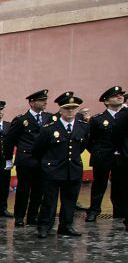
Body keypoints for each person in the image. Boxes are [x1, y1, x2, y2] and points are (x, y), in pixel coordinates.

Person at [33, 91, 87, 239]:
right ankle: (44, 226)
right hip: (53, 170)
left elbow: (82, 146)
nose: (70, 111)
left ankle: (66, 225)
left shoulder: (83, 127)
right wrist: (47, 164)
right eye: (67, 108)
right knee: (49, 200)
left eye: (73, 108)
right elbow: (38, 149)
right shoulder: (50, 128)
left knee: (70, 200)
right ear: (61, 109)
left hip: (73, 169)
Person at [5, 89, 51, 227]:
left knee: (39, 191)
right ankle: (19, 216)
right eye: (41, 100)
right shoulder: (21, 120)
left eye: (45, 100)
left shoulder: (48, 118)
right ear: (31, 103)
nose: (45, 102)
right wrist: (8, 159)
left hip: (42, 161)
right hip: (26, 160)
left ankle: (33, 216)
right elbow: (9, 140)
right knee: (23, 190)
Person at [86, 86, 126, 221]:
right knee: (99, 185)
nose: (120, 96)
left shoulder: (125, 116)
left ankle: (120, 212)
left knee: (120, 186)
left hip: (122, 157)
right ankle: (94, 210)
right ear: (106, 101)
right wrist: (97, 152)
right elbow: (89, 140)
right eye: (115, 95)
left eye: (121, 95)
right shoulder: (98, 119)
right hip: (103, 157)